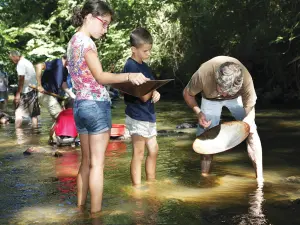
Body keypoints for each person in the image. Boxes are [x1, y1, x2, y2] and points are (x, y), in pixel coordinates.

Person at [67, 0, 149, 214]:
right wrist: (130, 75)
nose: (105, 30)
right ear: (89, 16)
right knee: (97, 165)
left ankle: (80, 209)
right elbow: (101, 77)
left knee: (85, 163)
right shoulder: (87, 43)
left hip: (80, 105)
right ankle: (95, 216)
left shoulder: (73, 41)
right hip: (96, 106)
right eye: (104, 23)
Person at [183, 56, 263, 184]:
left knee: (252, 131)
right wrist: (199, 113)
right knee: (206, 136)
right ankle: (204, 177)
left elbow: (249, 109)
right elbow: (187, 94)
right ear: (216, 78)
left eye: (228, 93)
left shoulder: (246, 79)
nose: (224, 95)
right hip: (210, 99)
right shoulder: (204, 74)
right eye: (222, 90)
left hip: (236, 98)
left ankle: (260, 179)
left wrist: (248, 123)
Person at [122, 27, 160, 188]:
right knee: (138, 152)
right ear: (133, 49)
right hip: (137, 115)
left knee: (154, 150)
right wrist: (152, 92)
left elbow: (150, 88)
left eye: (149, 50)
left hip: (148, 114)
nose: (148, 54)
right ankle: (136, 187)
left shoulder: (144, 66)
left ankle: (151, 182)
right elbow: (143, 94)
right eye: (145, 51)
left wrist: (156, 92)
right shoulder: (131, 67)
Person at [35, 55, 75, 119]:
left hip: (53, 96)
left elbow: (63, 84)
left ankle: (54, 129)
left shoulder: (65, 70)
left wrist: (72, 95)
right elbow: (38, 66)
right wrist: (39, 85)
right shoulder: (57, 63)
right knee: (61, 117)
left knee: (58, 120)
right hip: (45, 94)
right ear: (67, 59)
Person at [9, 50, 40, 128]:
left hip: (25, 91)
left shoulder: (20, 64)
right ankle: (35, 134)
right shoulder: (27, 62)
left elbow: (21, 79)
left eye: (12, 58)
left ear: (15, 56)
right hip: (33, 90)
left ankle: (18, 134)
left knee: (18, 113)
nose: (12, 60)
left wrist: (18, 94)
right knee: (34, 114)